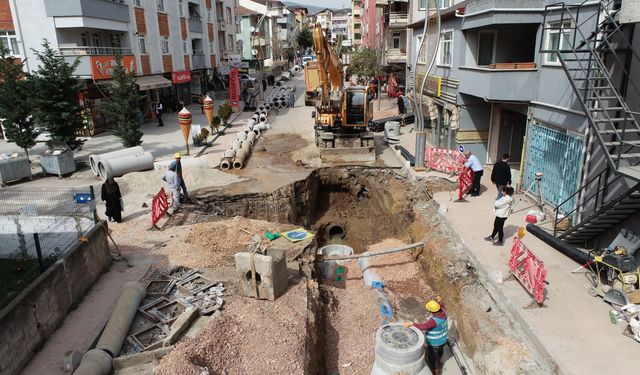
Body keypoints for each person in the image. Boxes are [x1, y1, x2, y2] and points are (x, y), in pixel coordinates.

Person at [404, 297, 448, 375]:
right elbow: (442, 306)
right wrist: (440, 302)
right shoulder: (444, 312)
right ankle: (439, 359)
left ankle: (436, 371)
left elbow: (423, 326)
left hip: (434, 344)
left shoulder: (434, 321)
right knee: (440, 352)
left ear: (431, 311)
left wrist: (411, 324)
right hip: (443, 340)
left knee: (433, 360)